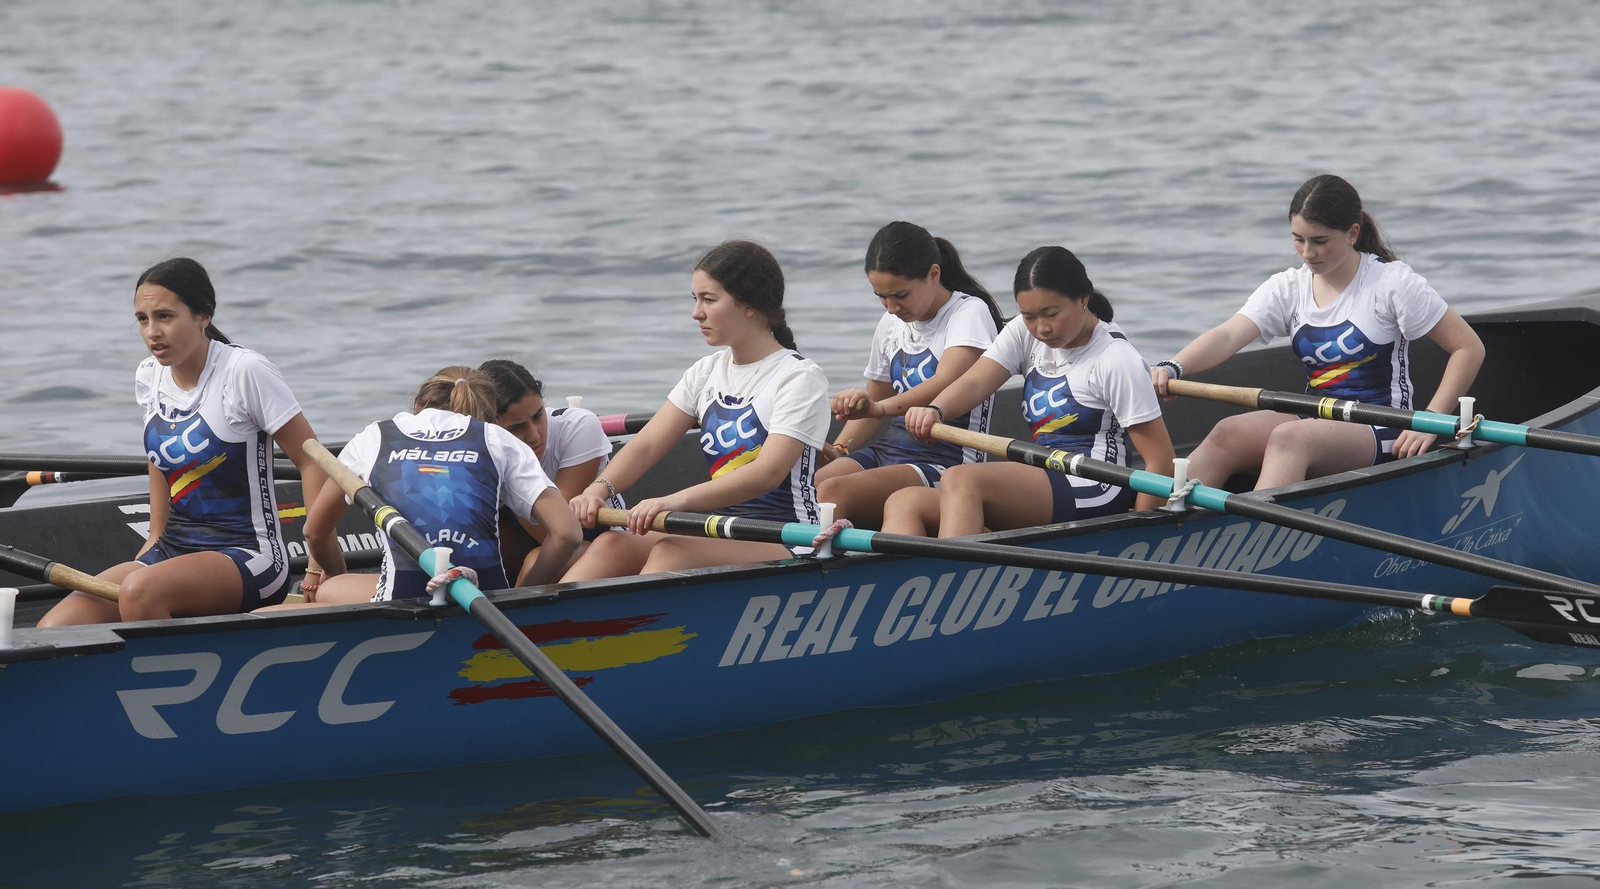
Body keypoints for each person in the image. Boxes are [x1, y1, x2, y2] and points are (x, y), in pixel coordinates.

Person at [38, 258, 329, 625]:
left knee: (140, 592)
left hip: (248, 555)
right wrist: (154, 539)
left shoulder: (243, 372)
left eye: (165, 317)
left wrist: (319, 560)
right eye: (143, 319)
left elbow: (312, 460)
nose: (152, 332)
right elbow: (159, 459)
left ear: (203, 315)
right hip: (172, 548)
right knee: (55, 628)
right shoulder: (149, 376)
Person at [1150, 174, 1485, 490]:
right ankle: (1160, 526)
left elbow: (1468, 348)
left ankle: (1259, 539)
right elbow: (1227, 336)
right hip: (1315, 415)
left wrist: (1431, 419)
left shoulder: (1391, 284)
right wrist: (1173, 366)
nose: (1308, 253)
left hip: (1381, 425)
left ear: (1352, 234)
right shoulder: (1288, 287)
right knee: (1228, 432)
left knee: (1289, 439)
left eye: (1320, 241)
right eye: (1298, 239)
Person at [562, 240, 830, 580]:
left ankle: (642, 630)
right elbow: (646, 445)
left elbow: (767, 473)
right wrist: (598, 490)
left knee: (672, 550)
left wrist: (674, 501)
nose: (696, 313)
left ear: (749, 304)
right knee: (613, 546)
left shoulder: (799, 377)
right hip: (719, 526)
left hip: (788, 536)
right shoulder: (705, 372)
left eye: (709, 300)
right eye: (695, 300)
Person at [884, 246, 1176, 537]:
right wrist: (937, 409)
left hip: (1096, 483)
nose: (1041, 328)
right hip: (1044, 471)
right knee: (905, 501)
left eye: (1051, 314)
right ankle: (923, 579)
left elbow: (1160, 462)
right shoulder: (1023, 333)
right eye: (1029, 316)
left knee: (962, 480)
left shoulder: (1115, 359)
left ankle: (955, 573)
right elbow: (974, 382)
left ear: (1083, 299)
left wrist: (1139, 536)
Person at [269, 366, 580, 607]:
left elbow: (314, 532)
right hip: (484, 598)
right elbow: (566, 534)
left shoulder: (373, 437)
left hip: (402, 595)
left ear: (417, 404)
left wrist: (334, 575)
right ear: (483, 413)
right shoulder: (497, 439)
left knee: (332, 588)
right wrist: (523, 596)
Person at [816, 221, 1005, 528]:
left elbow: (944, 383)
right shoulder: (890, 322)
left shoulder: (969, 313)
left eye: (900, 295)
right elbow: (874, 400)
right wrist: (841, 447)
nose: (891, 308)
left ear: (934, 274)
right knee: (817, 484)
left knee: (834, 491)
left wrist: (879, 408)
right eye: (881, 296)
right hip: (888, 449)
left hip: (947, 460)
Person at [479, 358, 623, 578]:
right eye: (517, 428)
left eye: (538, 416)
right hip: (529, 544)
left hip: (600, 544)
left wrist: (507, 467)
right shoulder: (474, 446)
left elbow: (553, 534)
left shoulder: (578, 428)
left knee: (534, 559)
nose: (535, 436)